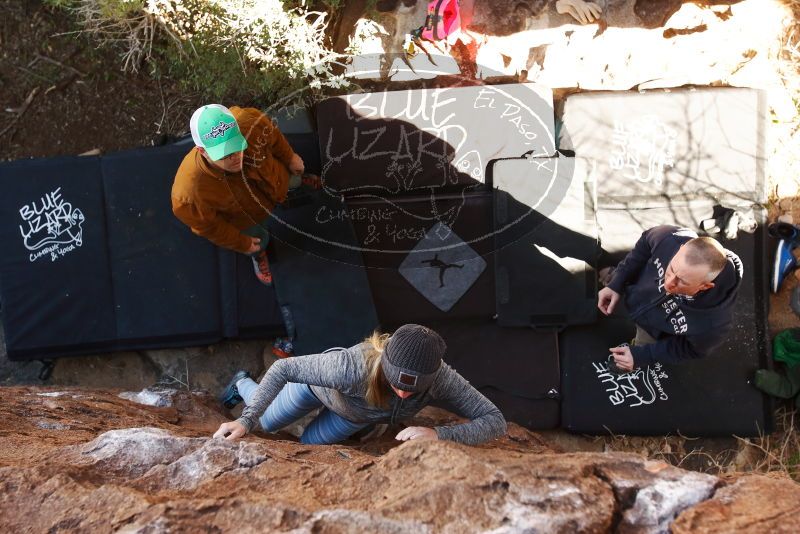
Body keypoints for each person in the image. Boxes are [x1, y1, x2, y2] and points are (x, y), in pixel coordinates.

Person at [213, 324, 508, 445]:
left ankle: (367, 426)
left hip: (353, 415)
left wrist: (438, 434)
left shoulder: (443, 378)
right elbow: (283, 368)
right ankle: (242, 384)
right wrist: (246, 420)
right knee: (267, 422)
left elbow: (495, 420)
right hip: (317, 388)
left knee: (309, 446)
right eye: (396, 383)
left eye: (413, 389)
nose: (403, 393)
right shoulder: (349, 367)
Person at [172, 104, 317, 287]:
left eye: (237, 146)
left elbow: (273, 137)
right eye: (225, 154)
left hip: (275, 181)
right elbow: (211, 227)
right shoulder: (189, 194)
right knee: (256, 242)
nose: (235, 157)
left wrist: (290, 157)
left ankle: (298, 184)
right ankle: (259, 255)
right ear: (203, 151)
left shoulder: (250, 121)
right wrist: (241, 243)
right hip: (248, 219)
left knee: (293, 180)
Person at [597, 225, 743, 372]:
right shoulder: (671, 238)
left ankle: (633, 358)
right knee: (617, 278)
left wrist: (644, 355)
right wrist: (618, 281)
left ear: (705, 286)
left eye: (682, 281)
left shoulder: (715, 323)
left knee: (642, 348)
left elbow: (692, 349)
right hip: (638, 291)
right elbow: (645, 243)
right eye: (671, 268)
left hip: (654, 330)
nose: (668, 284)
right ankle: (614, 278)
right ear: (681, 248)